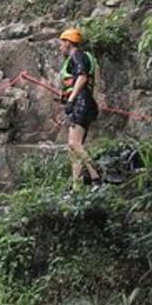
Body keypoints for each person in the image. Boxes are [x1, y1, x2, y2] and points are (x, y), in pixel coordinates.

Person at [57, 27, 103, 190]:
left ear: (68, 43)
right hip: (83, 103)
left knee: (74, 144)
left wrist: (71, 100)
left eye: (62, 43)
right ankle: (77, 187)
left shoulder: (77, 55)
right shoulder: (81, 57)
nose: (60, 47)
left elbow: (82, 77)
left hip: (81, 103)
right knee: (73, 148)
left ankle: (96, 177)